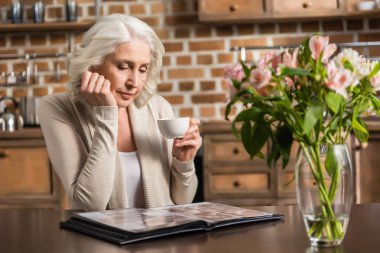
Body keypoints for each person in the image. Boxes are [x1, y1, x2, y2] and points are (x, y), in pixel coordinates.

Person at [37, 14, 201, 211]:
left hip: (160, 237)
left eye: (143, 69)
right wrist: (107, 114)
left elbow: (183, 200)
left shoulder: (158, 107)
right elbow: (90, 204)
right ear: (93, 65)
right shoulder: (57, 108)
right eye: (123, 66)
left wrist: (183, 162)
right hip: (101, 240)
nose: (134, 82)